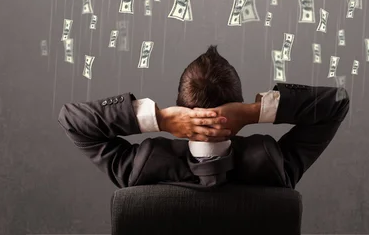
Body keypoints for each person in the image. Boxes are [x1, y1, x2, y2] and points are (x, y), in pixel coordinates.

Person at [58, 45, 350, 189]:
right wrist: (254, 112)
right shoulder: (274, 165)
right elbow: (336, 102)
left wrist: (159, 119)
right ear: (235, 108)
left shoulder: (140, 168)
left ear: (179, 107)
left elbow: (72, 119)